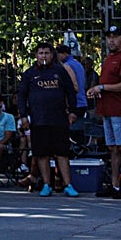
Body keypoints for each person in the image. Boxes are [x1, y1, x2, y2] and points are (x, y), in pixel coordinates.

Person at [17, 42, 79, 197]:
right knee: (42, 154)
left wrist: (72, 112)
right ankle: (46, 184)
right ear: (36, 55)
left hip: (59, 119)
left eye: (46, 53)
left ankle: (68, 184)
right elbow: (21, 96)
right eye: (41, 53)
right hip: (38, 120)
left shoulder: (60, 71)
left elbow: (71, 92)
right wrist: (23, 116)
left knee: (62, 153)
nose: (43, 56)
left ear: (52, 55)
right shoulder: (29, 73)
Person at [87, 25, 121, 199]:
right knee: (112, 148)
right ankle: (115, 185)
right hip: (107, 108)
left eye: (115, 37)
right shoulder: (109, 58)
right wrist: (97, 90)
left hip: (120, 109)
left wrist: (102, 87)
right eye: (109, 37)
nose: (111, 40)